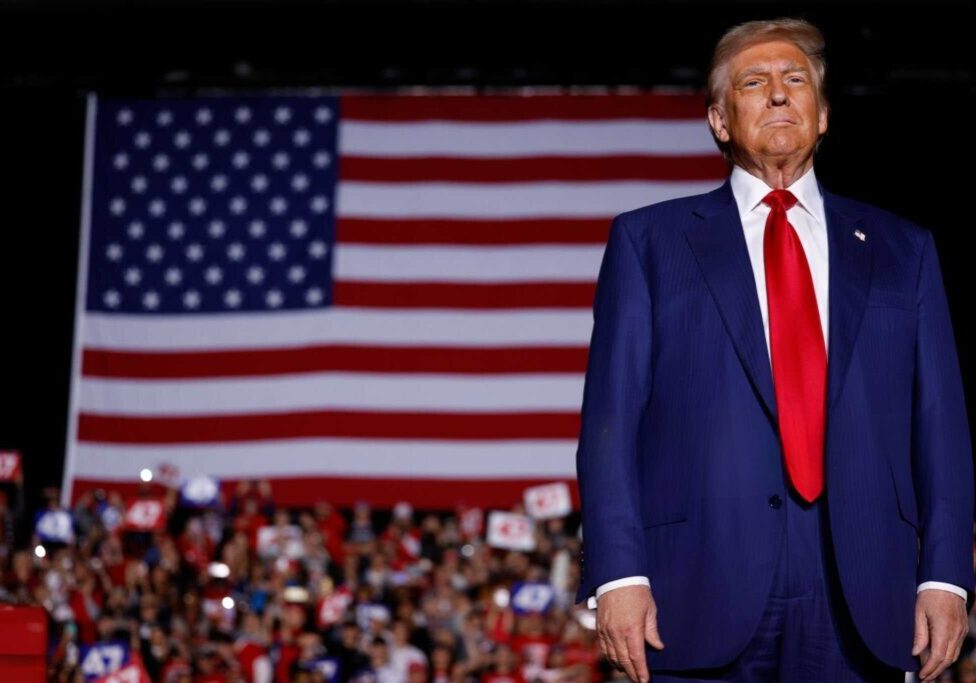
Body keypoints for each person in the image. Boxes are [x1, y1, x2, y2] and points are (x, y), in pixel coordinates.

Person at [574, 17, 975, 683]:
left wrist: (946, 576)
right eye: (754, 83)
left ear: (822, 117)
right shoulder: (649, 243)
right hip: (694, 586)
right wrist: (617, 571)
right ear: (719, 120)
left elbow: (940, 424)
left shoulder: (905, 249)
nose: (780, 94)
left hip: (864, 588)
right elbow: (610, 422)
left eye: (796, 82)